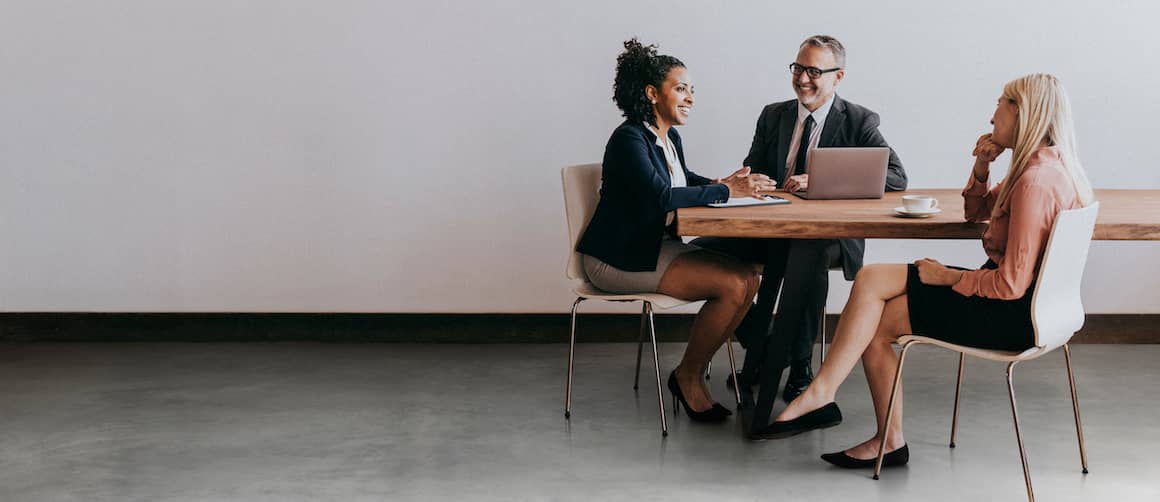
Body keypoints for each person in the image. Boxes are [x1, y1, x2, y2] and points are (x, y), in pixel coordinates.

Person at [764, 74, 1095, 469]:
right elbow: (975, 212)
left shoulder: (1035, 182)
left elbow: (1009, 284)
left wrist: (949, 278)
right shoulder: (1048, 168)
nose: (992, 117)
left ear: (1023, 113)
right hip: (1034, 307)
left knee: (880, 322)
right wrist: (982, 164)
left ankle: (880, 433)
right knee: (871, 279)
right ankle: (824, 392)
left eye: (1001, 103)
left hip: (1010, 314)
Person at [694, 35, 907, 411]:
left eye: (814, 71)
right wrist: (745, 182)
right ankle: (765, 344)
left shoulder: (858, 120)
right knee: (698, 253)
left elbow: (896, 177)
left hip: (827, 236)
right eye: (798, 68)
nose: (803, 79)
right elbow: (755, 167)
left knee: (808, 257)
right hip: (772, 228)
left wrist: (823, 181)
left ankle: (801, 368)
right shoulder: (773, 115)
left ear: (838, 77)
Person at [575, 39, 778, 422]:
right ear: (652, 93)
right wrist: (724, 191)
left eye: (692, 90)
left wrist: (723, 182)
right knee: (734, 285)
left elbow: (682, 180)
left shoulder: (669, 137)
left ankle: (695, 369)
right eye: (681, 88)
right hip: (617, 259)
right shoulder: (629, 138)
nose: (690, 98)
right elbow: (660, 196)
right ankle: (687, 376)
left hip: (652, 248)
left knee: (749, 276)